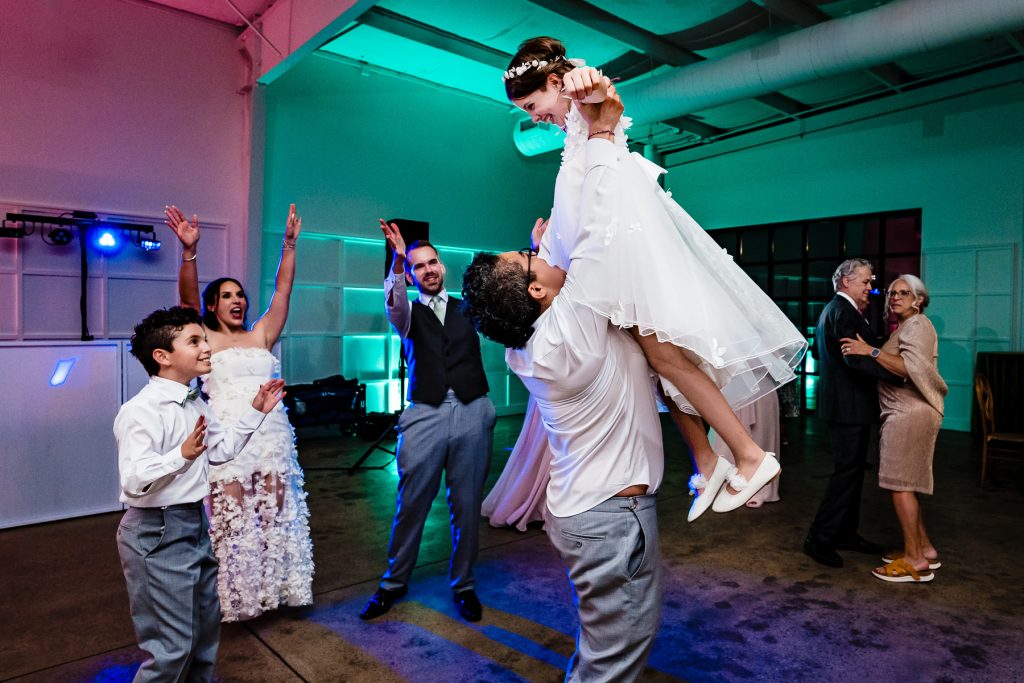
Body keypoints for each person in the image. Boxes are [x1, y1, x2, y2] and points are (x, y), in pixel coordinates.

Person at [499, 36, 807, 516]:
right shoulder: (573, 134)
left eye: (535, 104)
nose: (535, 117)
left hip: (623, 259)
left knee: (669, 361)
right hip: (607, 257)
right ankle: (707, 461)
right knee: (657, 370)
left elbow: (602, 93)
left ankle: (749, 456)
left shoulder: (584, 101)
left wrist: (591, 83)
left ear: (558, 83)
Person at [461, 91, 664, 680]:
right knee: (613, 662)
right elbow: (599, 235)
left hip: (585, 513)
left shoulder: (535, 342)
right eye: (530, 257)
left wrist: (549, 242)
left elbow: (568, 257)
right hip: (610, 518)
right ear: (535, 292)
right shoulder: (570, 327)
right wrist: (596, 135)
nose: (540, 252)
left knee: (601, 645)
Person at [115, 306, 285, 682]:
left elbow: (221, 450)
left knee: (204, 639)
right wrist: (181, 456)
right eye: (194, 341)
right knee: (171, 651)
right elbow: (133, 480)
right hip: (156, 530)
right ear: (163, 357)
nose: (207, 347)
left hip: (194, 522)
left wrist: (255, 412)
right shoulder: (140, 411)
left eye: (204, 339)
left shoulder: (196, 401)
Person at [166, 204, 314, 622]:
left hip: (272, 436)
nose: (237, 300)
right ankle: (237, 600)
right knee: (233, 522)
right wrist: (189, 252)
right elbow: (186, 299)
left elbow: (282, 293)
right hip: (228, 439)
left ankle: (279, 593)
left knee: (275, 514)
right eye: (227, 295)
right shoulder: (205, 337)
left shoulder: (262, 332)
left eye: (240, 295)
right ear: (213, 307)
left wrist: (288, 246)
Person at [360, 228, 497, 623]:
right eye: (418, 267)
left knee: (467, 505)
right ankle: (393, 583)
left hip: (473, 410)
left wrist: (538, 250)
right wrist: (399, 260)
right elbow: (396, 303)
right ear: (412, 274)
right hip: (425, 413)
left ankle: (464, 584)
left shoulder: (469, 309)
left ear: (443, 266)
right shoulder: (405, 313)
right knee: (412, 503)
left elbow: (511, 307)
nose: (428, 270)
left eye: (432, 262)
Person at [841, 275, 947, 583]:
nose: (895, 297)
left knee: (899, 485)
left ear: (919, 300)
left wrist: (869, 351)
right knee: (906, 484)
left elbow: (910, 369)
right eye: (891, 293)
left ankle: (914, 561)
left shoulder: (917, 326)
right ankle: (924, 549)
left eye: (903, 293)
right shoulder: (907, 327)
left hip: (908, 412)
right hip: (903, 411)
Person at [803, 259, 904, 568]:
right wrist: (901, 375)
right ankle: (818, 539)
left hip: (846, 406)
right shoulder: (844, 312)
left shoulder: (834, 311)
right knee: (846, 473)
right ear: (845, 282)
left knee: (853, 472)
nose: (870, 289)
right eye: (865, 282)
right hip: (848, 408)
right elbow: (855, 360)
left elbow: (821, 353)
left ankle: (845, 533)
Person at [708, 392, 782, 508]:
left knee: (760, 433)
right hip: (732, 386)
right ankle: (719, 479)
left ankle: (760, 486)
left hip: (761, 386)